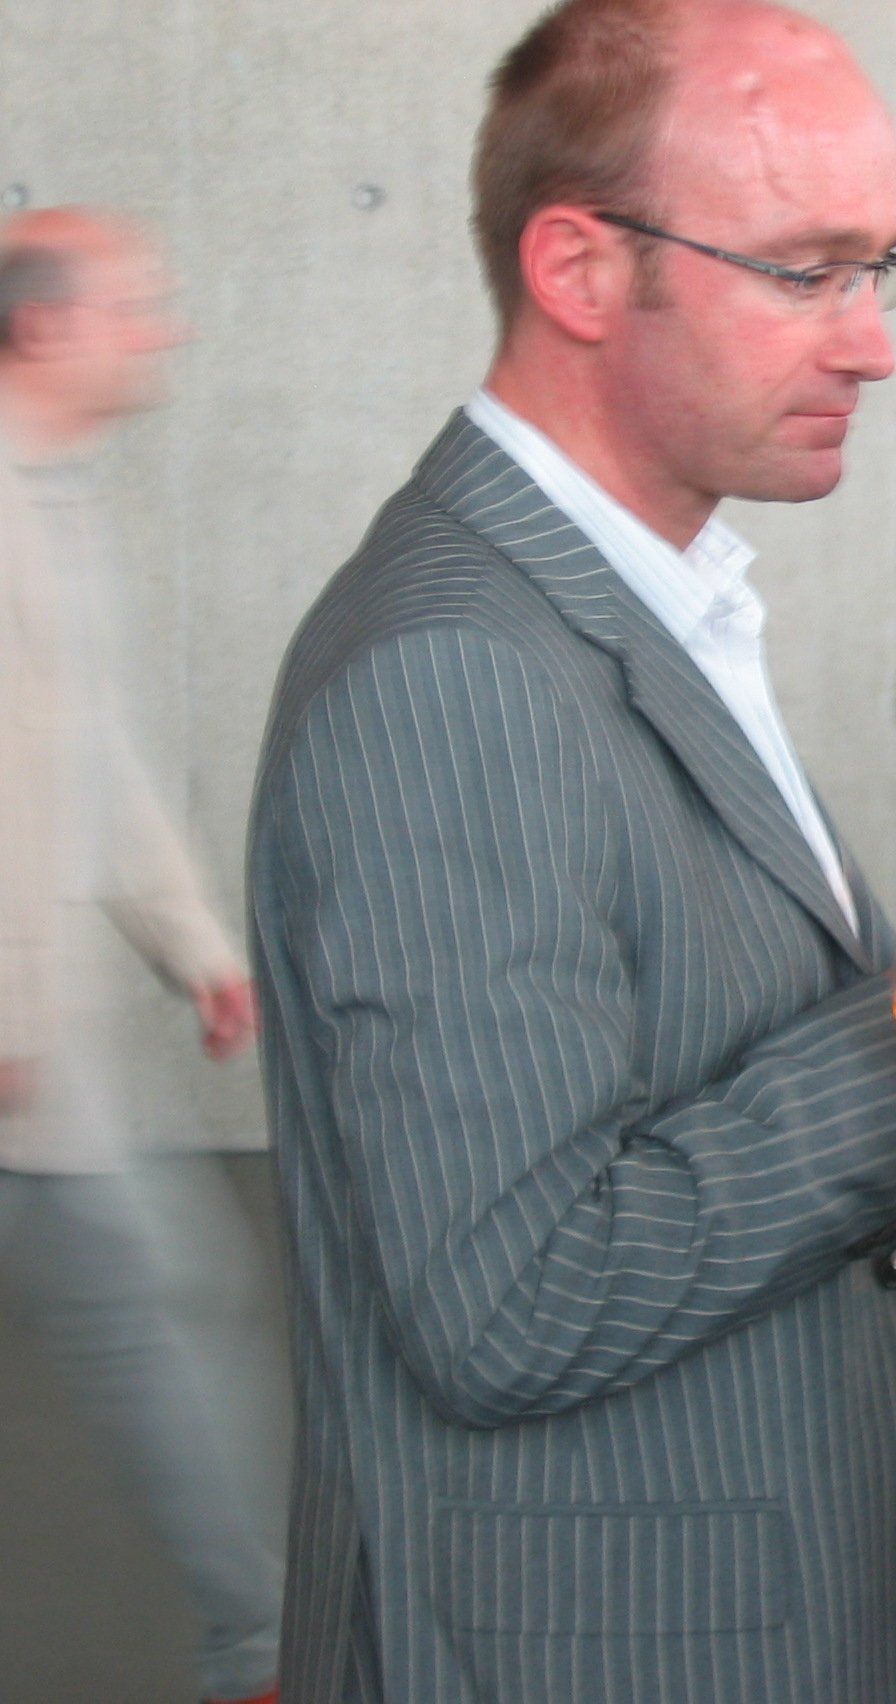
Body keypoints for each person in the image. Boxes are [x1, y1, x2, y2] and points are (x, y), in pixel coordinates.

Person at [246, 3, 896, 1697]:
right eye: (806, 272)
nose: (871, 345)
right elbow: (512, 1296)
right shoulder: (456, 671)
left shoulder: (632, 605)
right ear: (581, 270)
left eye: (881, 269)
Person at [0, 207, 281, 1704]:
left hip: (45, 1065)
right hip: (18, 1060)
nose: (162, 329)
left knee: (151, 1308)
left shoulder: (53, 492)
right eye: (135, 304)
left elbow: (84, 751)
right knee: (149, 1314)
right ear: (44, 326)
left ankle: (260, 1644)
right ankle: (262, 1649)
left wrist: (193, 946)